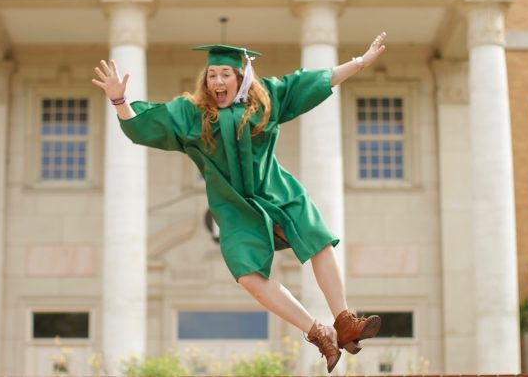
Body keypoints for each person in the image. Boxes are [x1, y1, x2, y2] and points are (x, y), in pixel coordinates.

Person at [92, 32, 387, 373]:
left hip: (277, 190)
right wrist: (119, 101)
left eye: (225, 74)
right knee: (248, 276)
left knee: (318, 239)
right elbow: (146, 125)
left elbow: (312, 82)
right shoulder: (191, 114)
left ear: (241, 77)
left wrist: (361, 62)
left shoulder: (266, 101)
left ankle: (344, 320)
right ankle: (318, 332)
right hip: (233, 207)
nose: (217, 80)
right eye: (212, 75)